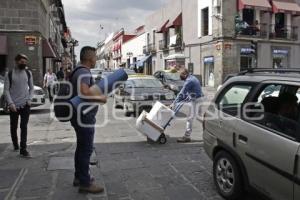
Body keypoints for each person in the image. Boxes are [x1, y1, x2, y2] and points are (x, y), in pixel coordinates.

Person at [70, 46, 107, 193]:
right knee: (86, 149)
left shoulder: (77, 70)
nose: (96, 59)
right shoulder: (84, 71)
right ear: (90, 58)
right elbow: (84, 92)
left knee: (81, 148)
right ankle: (85, 183)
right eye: (95, 57)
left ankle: (79, 177)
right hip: (84, 117)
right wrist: (101, 98)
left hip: (77, 115)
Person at [4, 54, 34, 157]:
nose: (24, 64)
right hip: (14, 106)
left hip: (25, 104)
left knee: (24, 127)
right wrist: (10, 103)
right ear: (16, 61)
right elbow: (6, 90)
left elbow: (32, 88)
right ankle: (15, 144)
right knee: (14, 126)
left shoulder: (28, 73)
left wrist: (30, 99)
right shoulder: (10, 74)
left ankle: (23, 149)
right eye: (22, 62)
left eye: (25, 62)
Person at [171, 68, 204, 143]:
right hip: (199, 99)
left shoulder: (189, 81)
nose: (180, 77)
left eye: (181, 75)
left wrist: (174, 103)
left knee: (190, 118)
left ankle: (187, 136)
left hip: (195, 100)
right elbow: (188, 92)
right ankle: (210, 127)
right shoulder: (192, 77)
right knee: (199, 117)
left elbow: (182, 92)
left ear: (185, 74)